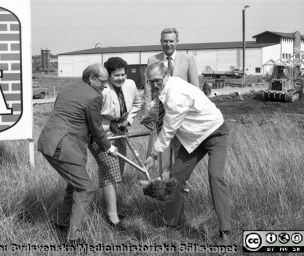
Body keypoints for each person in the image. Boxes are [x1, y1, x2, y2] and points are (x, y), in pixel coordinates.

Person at [144, 62, 232, 241]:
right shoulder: (166, 88)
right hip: (193, 140)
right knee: (176, 177)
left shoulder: (175, 93)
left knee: (215, 176)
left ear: (166, 75)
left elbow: (169, 128)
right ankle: (171, 223)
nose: (154, 84)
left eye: (157, 80)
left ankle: (225, 231)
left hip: (214, 132)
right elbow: (158, 109)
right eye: (150, 81)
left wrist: (153, 155)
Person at [37, 63, 118, 244]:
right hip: (64, 146)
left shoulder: (69, 87)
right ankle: (74, 238)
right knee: (86, 188)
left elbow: (65, 113)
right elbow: (96, 128)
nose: (105, 86)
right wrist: (109, 147)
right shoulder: (94, 97)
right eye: (103, 82)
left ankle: (61, 221)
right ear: (92, 79)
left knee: (74, 185)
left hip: (49, 140)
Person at [88, 57, 142, 228]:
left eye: (123, 75)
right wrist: (108, 126)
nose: (121, 78)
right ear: (108, 75)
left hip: (120, 131)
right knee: (110, 170)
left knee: (117, 170)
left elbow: (138, 103)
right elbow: (92, 117)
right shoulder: (101, 90)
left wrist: (128, 120)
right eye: (116, 75)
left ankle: (112, 209)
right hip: (100, 134)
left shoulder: (131, 85)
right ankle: (112, 218)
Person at [142, 27, 199, 178]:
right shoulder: (152, 60)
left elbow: (195, 88)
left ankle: (181, 187)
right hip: (161, 114)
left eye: (171, 41)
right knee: (164, 156)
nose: (168, 44)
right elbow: (148, 89)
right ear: (161, 42)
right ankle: (165, 187)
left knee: (182, 155)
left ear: (177, 42)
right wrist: (147, 113)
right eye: (165, 41)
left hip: (182, 116)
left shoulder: (188, 59)